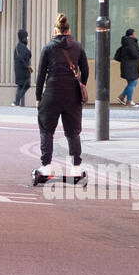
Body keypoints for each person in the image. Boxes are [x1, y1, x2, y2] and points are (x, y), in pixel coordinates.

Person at [34, 13, 88, 176]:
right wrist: (81, 84)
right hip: (72, 93)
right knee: (73, 131)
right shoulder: (78, 47)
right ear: (69, 30)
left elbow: (41, 75)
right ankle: (76, 168)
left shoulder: (48, 48)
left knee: (47, 130)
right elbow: (85, 70)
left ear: (55, 30)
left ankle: (46, 167)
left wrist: (38, 97)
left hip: (52, 93)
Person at [112, 28, 139, 106]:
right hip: (130, 66)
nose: (135, 35)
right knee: (132, 83)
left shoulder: (128, 42)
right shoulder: (130, 43)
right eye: (134, 33)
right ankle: (128, 101)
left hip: (130, 66)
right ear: (131, 34)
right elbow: (134, 54)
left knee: (133, 83)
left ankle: (122, 96)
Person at [13, 30, 32, 106]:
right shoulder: (22, 47)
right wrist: (27, 67)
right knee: (26, 84)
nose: (28, 38)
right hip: (23, 70)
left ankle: (16, 102)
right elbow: (24, 57)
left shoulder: (18, 46)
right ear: (24, 37)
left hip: (19, 69)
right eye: (27, 37)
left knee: (20, 85)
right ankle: (16, 101)